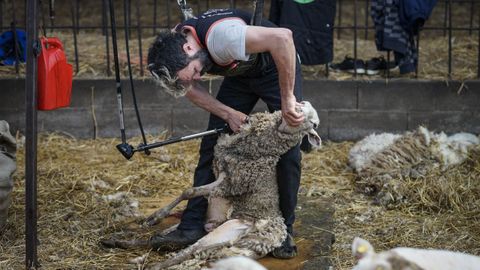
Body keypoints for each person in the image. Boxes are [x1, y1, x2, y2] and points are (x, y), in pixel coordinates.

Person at [147, 8, 304, 259]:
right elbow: (188, 87)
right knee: (213, 144)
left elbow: (283, 37)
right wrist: (227, 113)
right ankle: (192, 225)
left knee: (287, 149)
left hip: (274, 66)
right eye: (195, 75)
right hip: (240, 72)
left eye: (197, 72)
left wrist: (288, 99)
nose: (199, 77)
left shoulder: (223, 37)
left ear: (189, 50)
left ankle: (283, 230)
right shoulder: (175, 45)